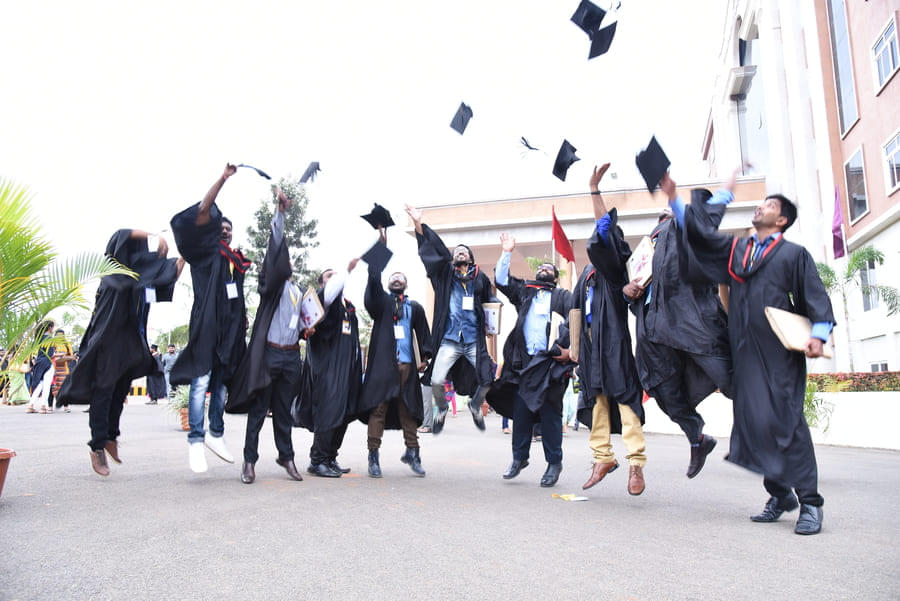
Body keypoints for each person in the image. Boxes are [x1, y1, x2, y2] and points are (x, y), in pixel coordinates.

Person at [664, 173, 835, 535]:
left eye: (768, 205)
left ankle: (810, 502)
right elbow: (701, 237)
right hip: (743, 352)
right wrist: (675, 199)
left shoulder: (793, 254)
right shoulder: (738, 251)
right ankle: (780, 495)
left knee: (788, 423)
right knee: (755, 424)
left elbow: (814, 295)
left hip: (778, 353)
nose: (760, 207)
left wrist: (818, 336)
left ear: (781, 219)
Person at [626, 169, 741, 479]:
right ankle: (697, 439)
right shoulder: (647, 245)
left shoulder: (687, 225)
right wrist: (628, 290)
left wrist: (729, 182)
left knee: (732, 381)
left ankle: (759, 433)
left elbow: (710, 210)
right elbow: (633, 287)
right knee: (665, 392)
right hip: (654, 329)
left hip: (693, 322)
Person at [58, 230, 181, 476]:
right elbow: (123, 235)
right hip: (107, 343)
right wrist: (156, 236)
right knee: (103, 392)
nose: (138, 252)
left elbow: (166, 279)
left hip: (130, 344)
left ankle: (111, 437)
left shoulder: (139, 277)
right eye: (135, 246)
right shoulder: (112, 274)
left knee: (120, 391)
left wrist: (184, 256)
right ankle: (97, 446)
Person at [569, 164, 648, 496]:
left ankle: (636, 463)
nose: (602, 239)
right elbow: (574, 310)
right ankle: (603, 458)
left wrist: (594, 189)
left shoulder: (616, 269)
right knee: (596, 400)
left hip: (613, 341)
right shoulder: (587, 274)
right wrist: (573, 348)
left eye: (610, 240)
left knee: (626, 398)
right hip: (590, 345)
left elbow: (603, 227)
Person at [169, 164, 249, 473]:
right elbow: (203, 209)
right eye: (221, 226)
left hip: (230, 329)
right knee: (201, 380)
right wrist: (223, 179)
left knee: (222, 381)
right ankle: (195, 439)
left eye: (229, 228)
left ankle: (216, 433)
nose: (225, 230)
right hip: (207, 323)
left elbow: (237, 296)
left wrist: (241, 322)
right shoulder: (205, 252)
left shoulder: (235, 261)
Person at [227, 188, 310, 484]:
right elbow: (275, 244)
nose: (286, 261)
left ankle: (286, 457)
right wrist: (280, 213)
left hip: (291, 357)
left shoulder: (300, 291)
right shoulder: (271, 286)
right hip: (270, 354)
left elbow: (302, 323)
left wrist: (308, 328)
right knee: (259, 411)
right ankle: (249, 461)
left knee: (285, 412)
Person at [489, 232, 574, 487]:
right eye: (542, 268)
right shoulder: (526, 292)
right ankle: (519, 458)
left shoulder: (563, 297)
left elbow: (577, 322)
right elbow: (501, 280)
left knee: (550, 416)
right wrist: (506, 252)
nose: (544, 270)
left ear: (555, 278)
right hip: (524, 365)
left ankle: (554, 463)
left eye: (549, 268)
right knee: (521, 413)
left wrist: (568, 350)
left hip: (550, 365)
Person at [404, 204, 495, 435]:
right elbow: (430, 252)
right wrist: (418, 224)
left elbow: (490, 302)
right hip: (450, 339)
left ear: (471, 258)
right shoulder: (444, 275)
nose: (460, 252)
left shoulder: (481, 278)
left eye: (464, 251)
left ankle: (475, 405)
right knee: (436, 380)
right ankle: (442, 408)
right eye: (457, 251)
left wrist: (492, 325)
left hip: (473, 339)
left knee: (487, 378)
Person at [358, 231, 433, 478]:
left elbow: (424, 334)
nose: (397, 279)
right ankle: (373, 456)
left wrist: (425, 358)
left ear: (406, 284)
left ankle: (413, 452)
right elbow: (373, 280)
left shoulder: (414, 307)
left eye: (401, 277)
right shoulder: (381, 304)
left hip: (407, 367)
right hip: (383, 367)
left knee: (408, 410)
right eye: (393, 277)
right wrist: (380, 250)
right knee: (378, 410)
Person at [297, 261, 362, 477]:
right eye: (328, 276)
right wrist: (346, 270)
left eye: (335, 275)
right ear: (321, 284)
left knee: (343, 414)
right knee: (328, 412)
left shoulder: (347, 308)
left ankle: (330, 457)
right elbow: (330, 291)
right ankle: (317, 460)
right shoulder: (321, 302)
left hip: (346, 370)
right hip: (327, 369)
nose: (333, 278)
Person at [26, 321, 56, 414]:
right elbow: (51, 354)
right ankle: (43, 406)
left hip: (38, 362)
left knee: (39, 384)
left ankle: (30, 405)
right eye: (53, 327)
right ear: (50, 328)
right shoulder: (50, 339)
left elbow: (33, 353)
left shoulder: (37, 339)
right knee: (46, 384)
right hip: (48, 362)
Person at [50, 328, 75, 413]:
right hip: (53, 368)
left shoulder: (67, 345)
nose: (60, 337)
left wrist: (68, 357)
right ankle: (50, 406)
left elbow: (70, 357)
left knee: (64, 388)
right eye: (58, 335)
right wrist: (59, 355)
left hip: (64, 369)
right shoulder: (51, 344)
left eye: (61, 335)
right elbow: (49, 355)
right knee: (53, 387)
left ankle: (66, 406)